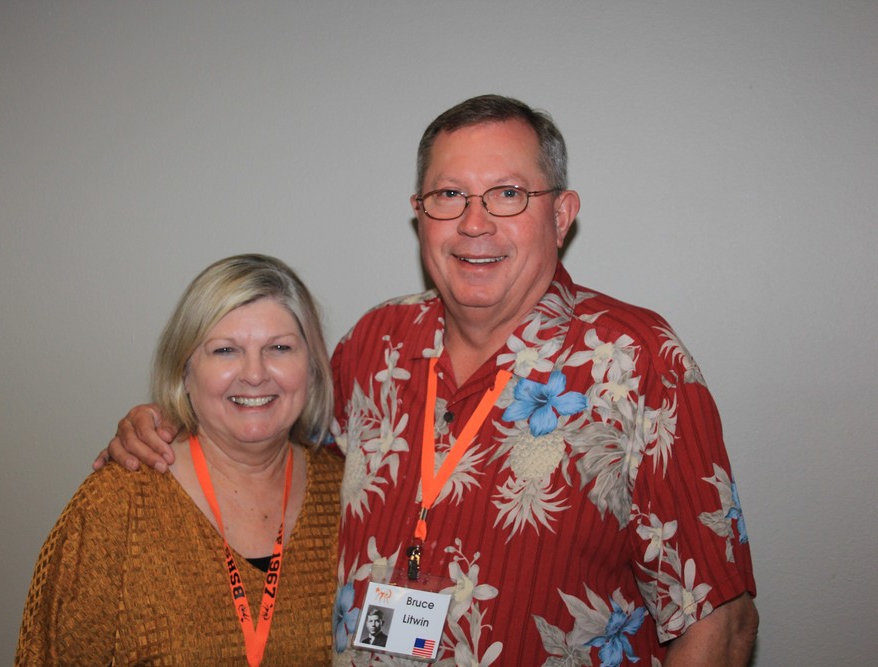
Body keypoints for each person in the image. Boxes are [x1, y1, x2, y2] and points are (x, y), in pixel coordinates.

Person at [102, 95, 758, 665]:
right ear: (420, 214)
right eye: (449, 196)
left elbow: (720, 623)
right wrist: (166, 422)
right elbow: (272, 442)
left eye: (508, 193)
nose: (474, 223)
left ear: (561, 215)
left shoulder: (639, 362)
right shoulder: (376, 342)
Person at [18, 254, 343, 665]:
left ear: (311, 369)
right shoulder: (117, 505)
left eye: (279, 348)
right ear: (185, 373)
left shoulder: (351, 497)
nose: (255, 374)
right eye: (225, 350)